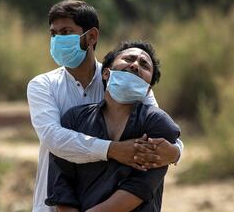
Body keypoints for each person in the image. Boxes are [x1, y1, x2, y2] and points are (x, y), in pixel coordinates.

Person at [27, 0, 184, 212]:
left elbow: (160, 130)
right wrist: (113, 150)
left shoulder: (125, 80)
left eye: (66, 32)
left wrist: (175, 153)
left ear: (91, 36)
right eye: (53, 34)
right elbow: (53, 138)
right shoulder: (43, 85)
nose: (57, 40)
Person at [45, 41, 180, 212]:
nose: (135, 65)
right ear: (106, 74)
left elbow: (140, 187)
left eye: (144, 64)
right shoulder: (74, 119)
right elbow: (62, 185)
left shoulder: (157, 123)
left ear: (147, 90)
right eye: (129, 58)